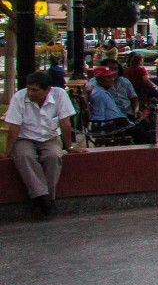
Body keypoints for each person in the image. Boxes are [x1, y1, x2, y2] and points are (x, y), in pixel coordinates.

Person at [5, 72, 78, 217]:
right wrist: (7, 152)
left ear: (47, 90)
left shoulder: (60, 95)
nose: (31, 93)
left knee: (53, 157)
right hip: (24, 137)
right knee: (25, 156)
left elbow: (65, 123)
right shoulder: (19, 97)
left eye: (35, 90)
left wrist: (69, 147)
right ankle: (45, 200)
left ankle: (44, 200)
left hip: (49, 137)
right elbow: (13, 127)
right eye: (29, 89)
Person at [86, 66, 141, 145]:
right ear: (100, 80)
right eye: (108, 77)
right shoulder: (99, 94)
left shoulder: (103, 91)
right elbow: (99, 116)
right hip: (113, 126)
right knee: (143, 133)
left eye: (112, 77)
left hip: (118, 123)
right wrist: (102, 133)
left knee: (144, 128)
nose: (112, 79)